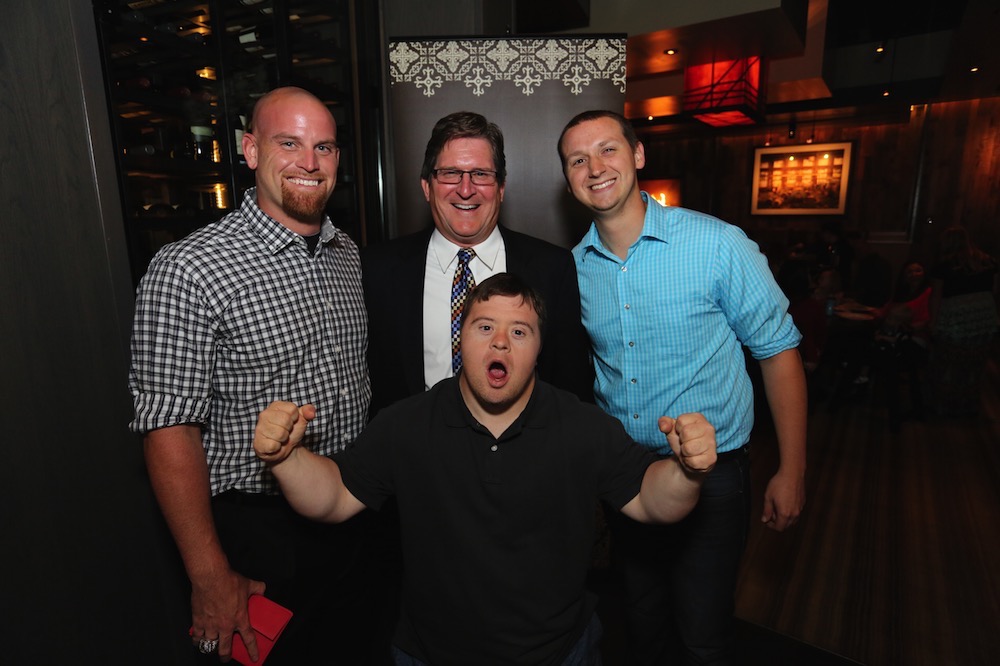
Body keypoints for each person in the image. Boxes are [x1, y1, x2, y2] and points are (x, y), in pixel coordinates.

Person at [253, 273, 719, 665]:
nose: (500, 341)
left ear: (539, 347)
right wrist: (287, 458)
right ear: (461, 338)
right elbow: (333, 498)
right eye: (485, 327)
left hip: (559, 654)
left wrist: (686, 471)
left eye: (520, 331)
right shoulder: (407, 423)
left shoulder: (582, 426)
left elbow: (652, 502)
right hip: (429, 654)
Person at [128, 86, 372, 664]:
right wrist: (210, 574)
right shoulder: (189, 268)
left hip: (352, 512)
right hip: (259, 534)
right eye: (289, 143)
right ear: (250, 150)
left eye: (324, 147)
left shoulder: (347, 254)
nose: (309, 162)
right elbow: (169, 431)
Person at [557, 110, 808, 665]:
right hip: (627, 476)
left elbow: (778, 353)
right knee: (641, 621)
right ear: (568, 180)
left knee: (703, 633)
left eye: (608, 150)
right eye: (578, 160)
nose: (595, 168)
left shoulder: (716, 244)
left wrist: (791, 470)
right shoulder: (573, 269)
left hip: (713, 477)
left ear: (638, 154)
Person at [362, 111, 593, 416]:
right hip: (412, 444)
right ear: (427, 187)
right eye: (450, 173)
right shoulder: (377, 270)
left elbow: (570, 391)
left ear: (501, 188)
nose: (466, 189)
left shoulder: (552, 268)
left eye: (481, 174)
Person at [928, 225, 999, 416]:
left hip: (957, 315)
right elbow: (995, 290)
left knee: (948, 359)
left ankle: (944, 404)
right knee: (976, 361)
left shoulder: (944, 267)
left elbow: (936, 295)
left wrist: (933, 322)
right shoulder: (988, 262)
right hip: (984, 314)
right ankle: (968, 403)